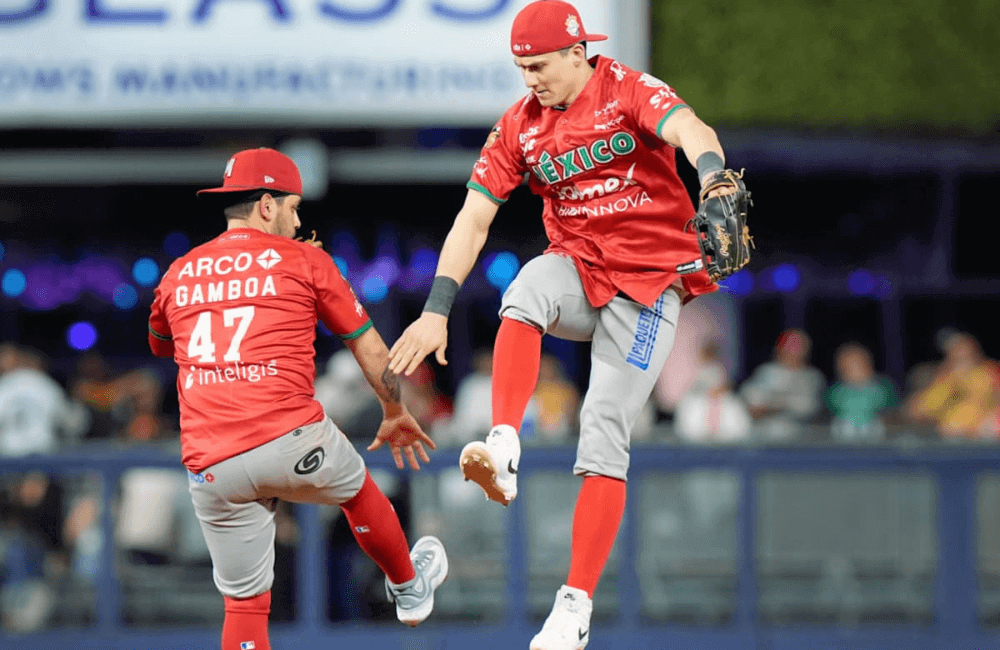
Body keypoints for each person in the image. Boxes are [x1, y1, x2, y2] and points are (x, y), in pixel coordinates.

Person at [386, 2, 745, 647]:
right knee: (523, 290)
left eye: (541, 65)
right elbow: (473, 219)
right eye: (521, 67)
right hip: (580, 270)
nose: (531, 79)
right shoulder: (520, 125)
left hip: (650, 288)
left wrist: (714, 176)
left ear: (579, 52)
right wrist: (436, 310)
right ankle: (503, 447)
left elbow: (691, 127)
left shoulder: (624, 88)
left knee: (603, 428)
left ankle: (574, 609)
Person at [147, 147, 448, 650]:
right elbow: (371, 350)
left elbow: (160, 344)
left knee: (244, 607)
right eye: (292, 207)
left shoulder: (179, 270)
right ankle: (408, 587)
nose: (297, 218)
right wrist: (395, 410)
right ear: (267, 205)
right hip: (288, 438)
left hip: (212, 462)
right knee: (358, 492)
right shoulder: (305, 258)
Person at [739, 329, 826, 442]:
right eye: (790, 344)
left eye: (799, 345)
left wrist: (774, 405)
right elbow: (752, 403)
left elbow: (809, 407)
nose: (794, 350)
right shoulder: (765, 372)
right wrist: (779, 404)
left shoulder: (813, 377)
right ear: (780, 347)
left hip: (801, 442)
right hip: (764, 440)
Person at [825, 342, 898, 444]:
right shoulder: (835, 392)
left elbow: (893, 414)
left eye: (858, 365)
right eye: (849, 367)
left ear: (868, 364)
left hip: (878, 442)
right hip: (842, 442)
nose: (855, 371)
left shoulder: (883, 388)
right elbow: (827, 415)